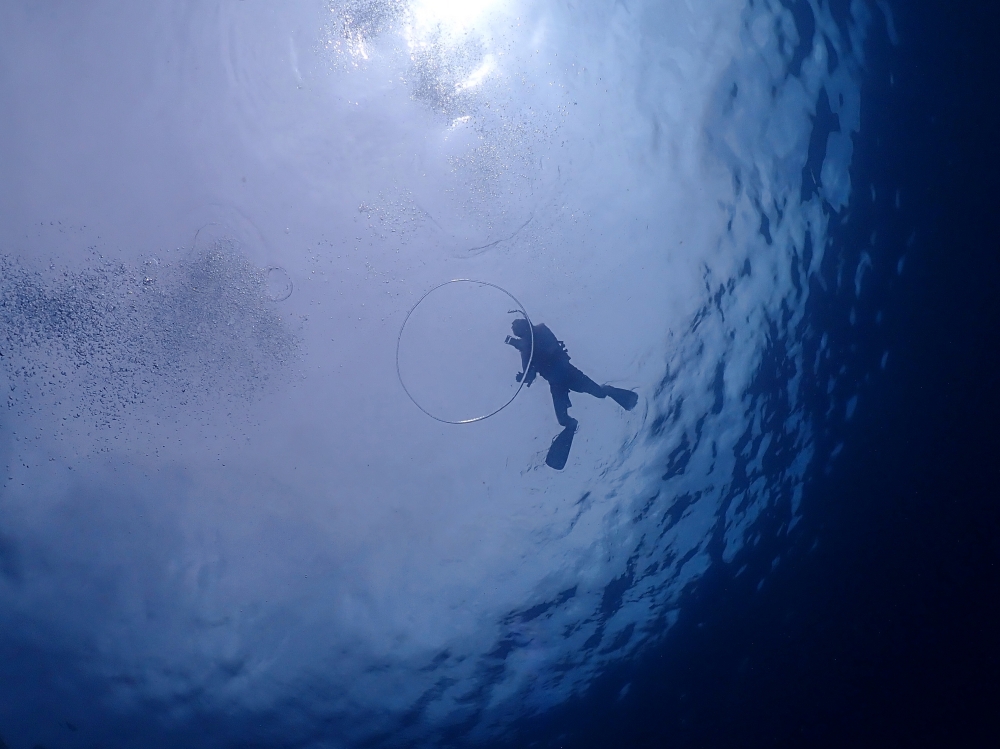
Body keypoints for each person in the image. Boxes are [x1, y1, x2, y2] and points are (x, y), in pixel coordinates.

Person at [505, 318, 638, 469]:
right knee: (563, 419)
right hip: (556, 384)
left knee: (600, 393)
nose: (513, 328)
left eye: (515, 326)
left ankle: (608, 390)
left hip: (569, 373)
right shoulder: (525, 349)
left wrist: (523, 349)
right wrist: (522, 376)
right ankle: (571, 425)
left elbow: (547, 347)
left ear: (524, 324)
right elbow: (530, 374)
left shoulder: (540, 331)